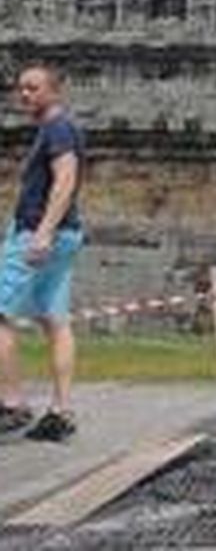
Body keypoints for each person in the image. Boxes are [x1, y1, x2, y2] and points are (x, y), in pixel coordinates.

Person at [0, 63, 86, 442]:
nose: (25, 95)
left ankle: (13, 404)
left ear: (54, 91)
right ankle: (61, 412)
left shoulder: (58, 128)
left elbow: (66, 178)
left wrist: (42, 233)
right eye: (21, 88)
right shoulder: (53, 129)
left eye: (33, 88)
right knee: (55, 320)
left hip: (40, 233)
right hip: (64, 234)